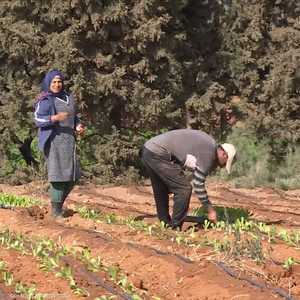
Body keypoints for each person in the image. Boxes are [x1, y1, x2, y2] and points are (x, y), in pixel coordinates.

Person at [141, 129, 236, 229]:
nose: (222, 166)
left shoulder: (208, 146)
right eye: (225, 163)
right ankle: (175, 227)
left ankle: (165, 223)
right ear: (224, 155)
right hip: (158, 153)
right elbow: (198, 185)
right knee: (184, 189)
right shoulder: (209, 154)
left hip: (149, 149)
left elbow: (190, 169)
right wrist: (210, 210)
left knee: (161, 189)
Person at [34, 70, 85, 218]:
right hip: (54, 141)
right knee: (58, 176)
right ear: (48, 84)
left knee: (74, 175)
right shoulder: (45, 100)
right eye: (54, 82)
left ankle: (58, 206)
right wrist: (55, 117)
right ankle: (56, 212)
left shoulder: (68, 97)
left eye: (59, 82)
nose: (57, 85)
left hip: (69, 141)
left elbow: (74, 117)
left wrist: (78, 126)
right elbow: (38, 119)